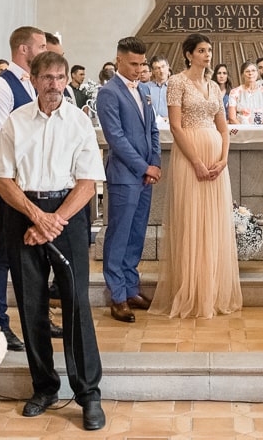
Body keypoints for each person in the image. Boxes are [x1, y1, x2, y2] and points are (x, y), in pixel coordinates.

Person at [0, 50, 106, 429]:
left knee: (76, 305)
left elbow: (88, 183)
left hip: (67, 213)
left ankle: (88, 393)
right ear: (34, 80)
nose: (54, 84)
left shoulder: (79, 122)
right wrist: (37, 217)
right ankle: (44, 387)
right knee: (31, 304)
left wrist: (54, 221)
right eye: (47, 78)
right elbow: (2, 179)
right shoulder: (16, 122)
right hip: (23, 212)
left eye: (60, 77)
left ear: (66, 80)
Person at [151, 34, 241, 318]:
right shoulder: (177, 82)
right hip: (190, 158)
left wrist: (224, 158)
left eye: (210, 50)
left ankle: (211, 291)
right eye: (202, 50)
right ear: (188, 54)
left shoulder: (214, 86)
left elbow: (224, 128)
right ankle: (190, 289)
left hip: (215, 157)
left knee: (213, 222)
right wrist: (197, 162)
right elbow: (176, 127)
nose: (207, 55)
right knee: (192, 220)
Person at [0, 25, 47, 350]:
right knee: (4, 253)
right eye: (41, 45)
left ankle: (38, 318)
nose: (45, 50)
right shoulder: (0, 85)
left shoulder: (34, 84)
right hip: (12, 182)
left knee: (36, 252)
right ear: (23, 49)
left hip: (38, 180)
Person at [96, 37, 161, 324]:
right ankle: (118, 295)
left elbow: (153, 131)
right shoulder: (109, 93)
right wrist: (144, 166)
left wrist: (155, 162)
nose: (138, 69)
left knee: (136, 234)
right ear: (119, 60)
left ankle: (132, 287)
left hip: (146, 174)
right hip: (124, 175)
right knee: (119, 235)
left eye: (142, 64)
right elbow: (116, 139)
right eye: (133, 64)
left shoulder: (145, 90)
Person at [228, 60, 263, 125]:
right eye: (247, 71)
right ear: (242, 75)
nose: (250, 73)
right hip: (241, 132)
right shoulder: (235, 92)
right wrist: (245, 132)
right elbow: (232, 119)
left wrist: (260, 131)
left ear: (257, 73)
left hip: (262, 131)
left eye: (253, 71)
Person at [146, 54, 170, 120]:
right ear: (152, 71)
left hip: (171, 125)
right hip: (151, 126)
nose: (161, 71)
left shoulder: (176, 87)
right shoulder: (146, 87)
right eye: (157, 68)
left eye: (163, 66)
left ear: (168, 66)